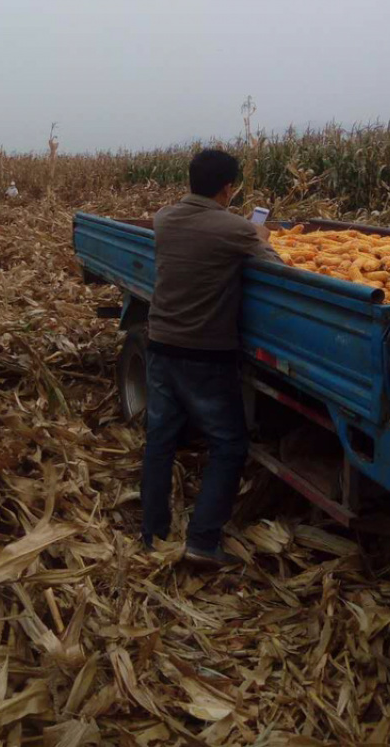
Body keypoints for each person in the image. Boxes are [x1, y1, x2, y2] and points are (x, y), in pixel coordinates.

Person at [141, 149, 282, 568]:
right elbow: (275, 265)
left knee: (160, 441)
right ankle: (203, 540)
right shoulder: (234, 227)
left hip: (160, 343)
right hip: (205, 353)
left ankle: (152, 534)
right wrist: (261, 236)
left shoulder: (165, 218)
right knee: (229, 443)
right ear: (228, 188)